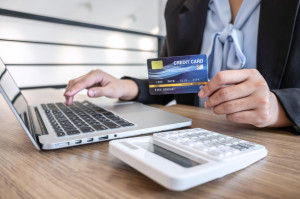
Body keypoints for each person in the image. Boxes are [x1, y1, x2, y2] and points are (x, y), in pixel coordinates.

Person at [64, 0, 300, 133]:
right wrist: (125, 86)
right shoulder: (178, 6)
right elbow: (177, 78)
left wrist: (279, 107)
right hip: (192, 140)